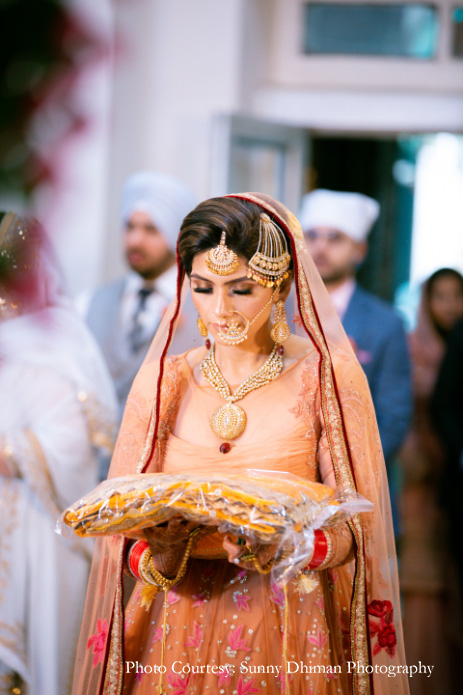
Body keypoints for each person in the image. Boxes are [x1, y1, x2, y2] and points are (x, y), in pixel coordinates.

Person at [72, 193, 409, 695]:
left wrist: (289, 545)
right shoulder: (167, 381)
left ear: (281, 286)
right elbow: (124, 540)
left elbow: (358, 529)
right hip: (174, 629)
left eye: (242, 289)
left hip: (288, 630)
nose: (219, 310)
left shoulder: (325, 377)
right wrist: (161, 555)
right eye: (203, 288)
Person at [0, 212, 117, 695]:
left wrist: (11, 453)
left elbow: (72, 444)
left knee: (42, 645)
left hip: (40, 521)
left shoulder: (61, 337)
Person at [299, 189, 412, 465]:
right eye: (312, 236)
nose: (320, 247)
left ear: (359, 251)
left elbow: (393, 419)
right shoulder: (276, 308)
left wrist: (344, 474)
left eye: (335, 238)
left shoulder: (385, 323)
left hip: (355, 479)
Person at [78, 171, 199, 421]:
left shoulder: (204, 308)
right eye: (130, 227)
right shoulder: (89, 302)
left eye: (151, 230)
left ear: (178, 236)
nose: (135, 240)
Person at [398, 268, 463, 695]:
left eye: (456, 296)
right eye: (440, 296)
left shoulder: (457, 347)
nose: (449, 306)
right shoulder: (410, 348)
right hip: (419, 473)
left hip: (451, 476)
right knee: (420, 573)